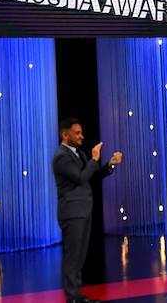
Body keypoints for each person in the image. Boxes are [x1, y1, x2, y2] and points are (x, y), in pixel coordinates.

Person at [53, 118, 122, 303]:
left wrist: (110, 164)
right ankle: (72, 297)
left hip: (84, 210)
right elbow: (80, 177)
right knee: (72, 257)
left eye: (81, 132)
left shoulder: (78, 154)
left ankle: (78, 296)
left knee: (80, 256)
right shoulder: (61, 157)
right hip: (72, 212)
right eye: (77, 133)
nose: (82, 136)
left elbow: (93, 175)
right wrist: (94, 159)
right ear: (65, 135)